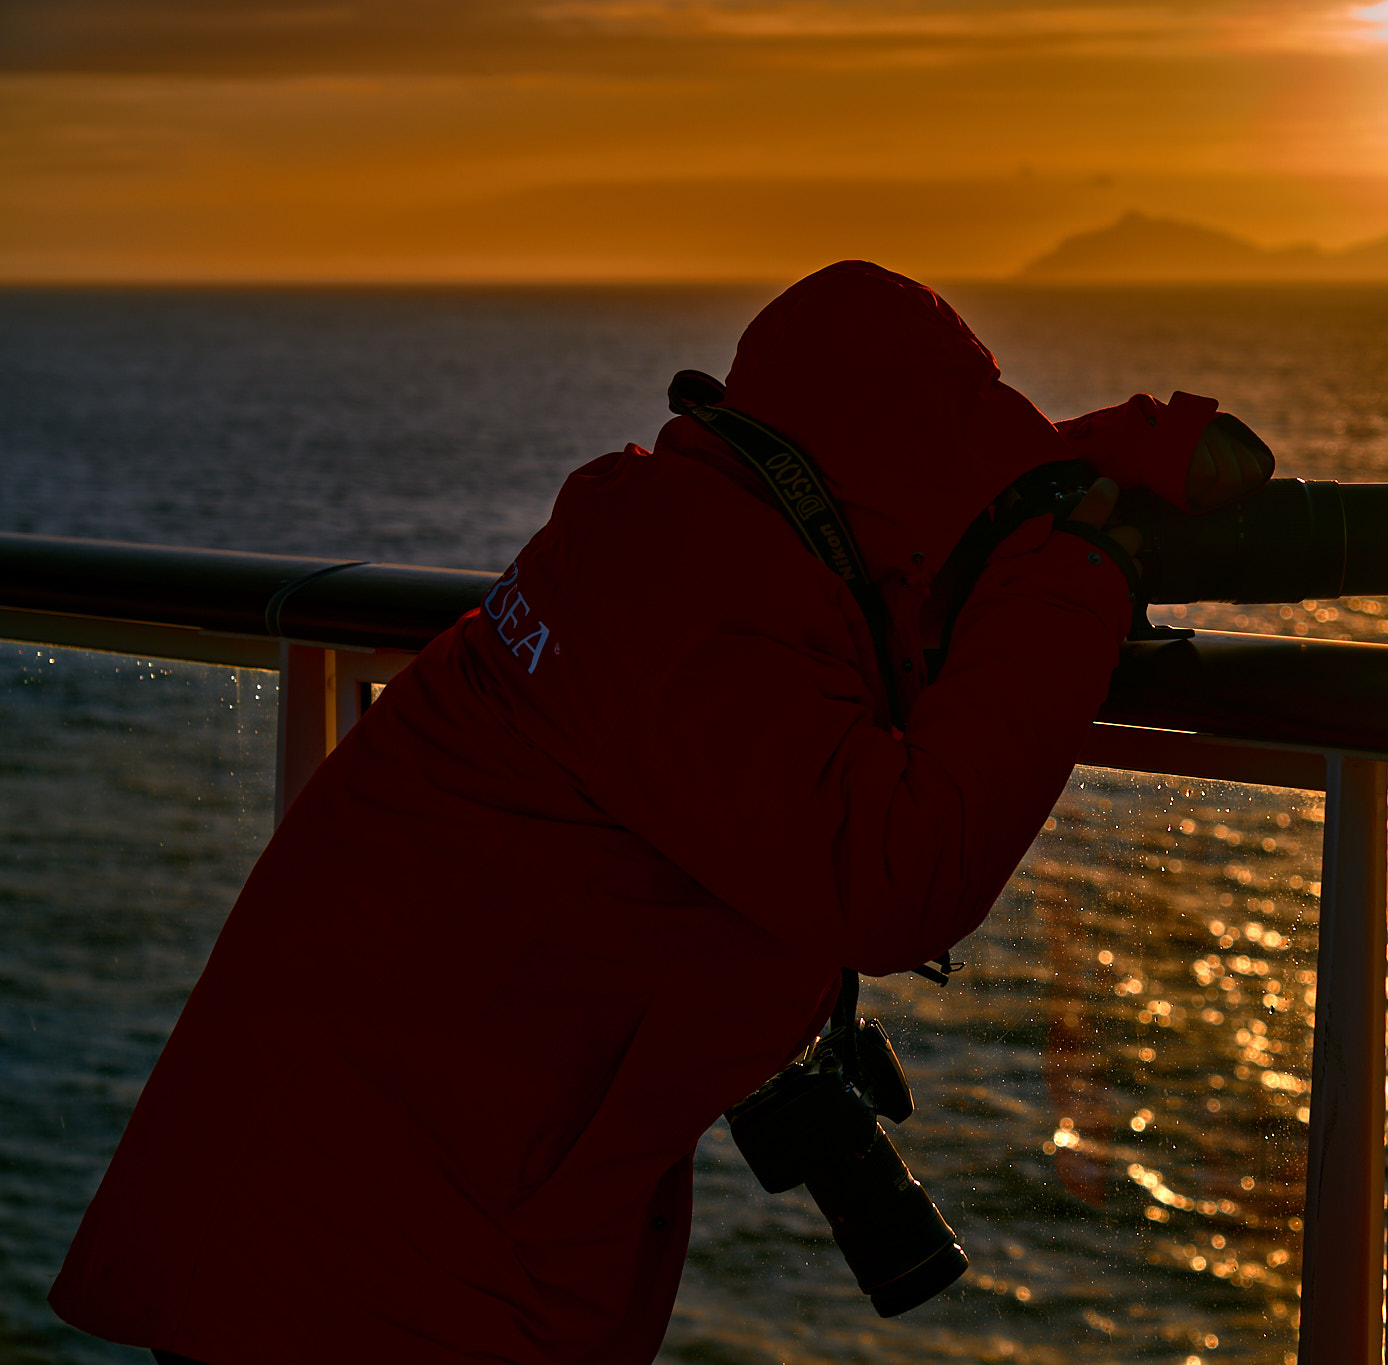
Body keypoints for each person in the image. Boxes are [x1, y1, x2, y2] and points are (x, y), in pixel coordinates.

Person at [50, 260, 1273, 1364]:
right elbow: (895, 874)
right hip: (364, 1274)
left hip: (339, 1212)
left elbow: (907, 504)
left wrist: (1100, 458)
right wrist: (1072, 577)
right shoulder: (687, 598)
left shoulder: (673, 534)